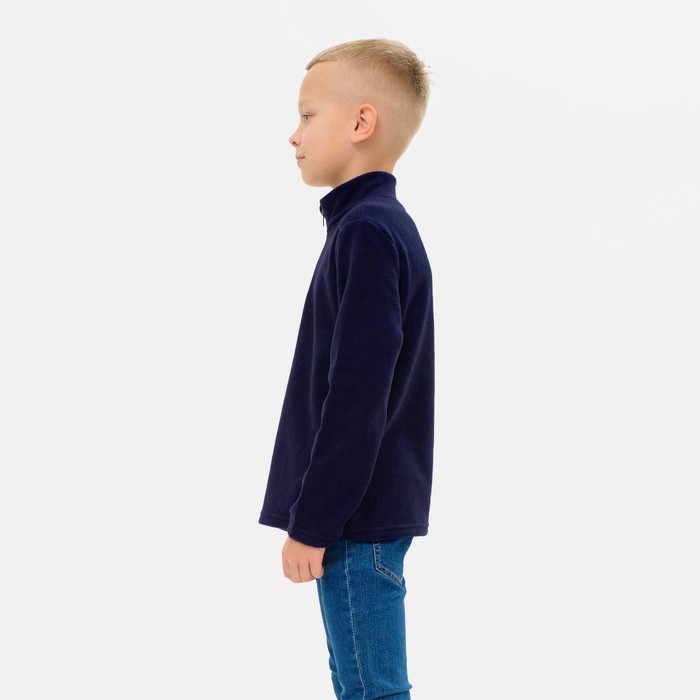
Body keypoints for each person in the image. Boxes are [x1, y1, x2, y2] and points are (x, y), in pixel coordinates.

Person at [258, 37, 434, 700]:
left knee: (371, 691)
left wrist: (314, 522)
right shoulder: (370, 227)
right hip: (363, 519)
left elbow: (358, 396)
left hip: (355, 524)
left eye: (308, 115)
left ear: (361, 123)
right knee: (362, 685)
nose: (294, 134)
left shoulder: (366, 232)